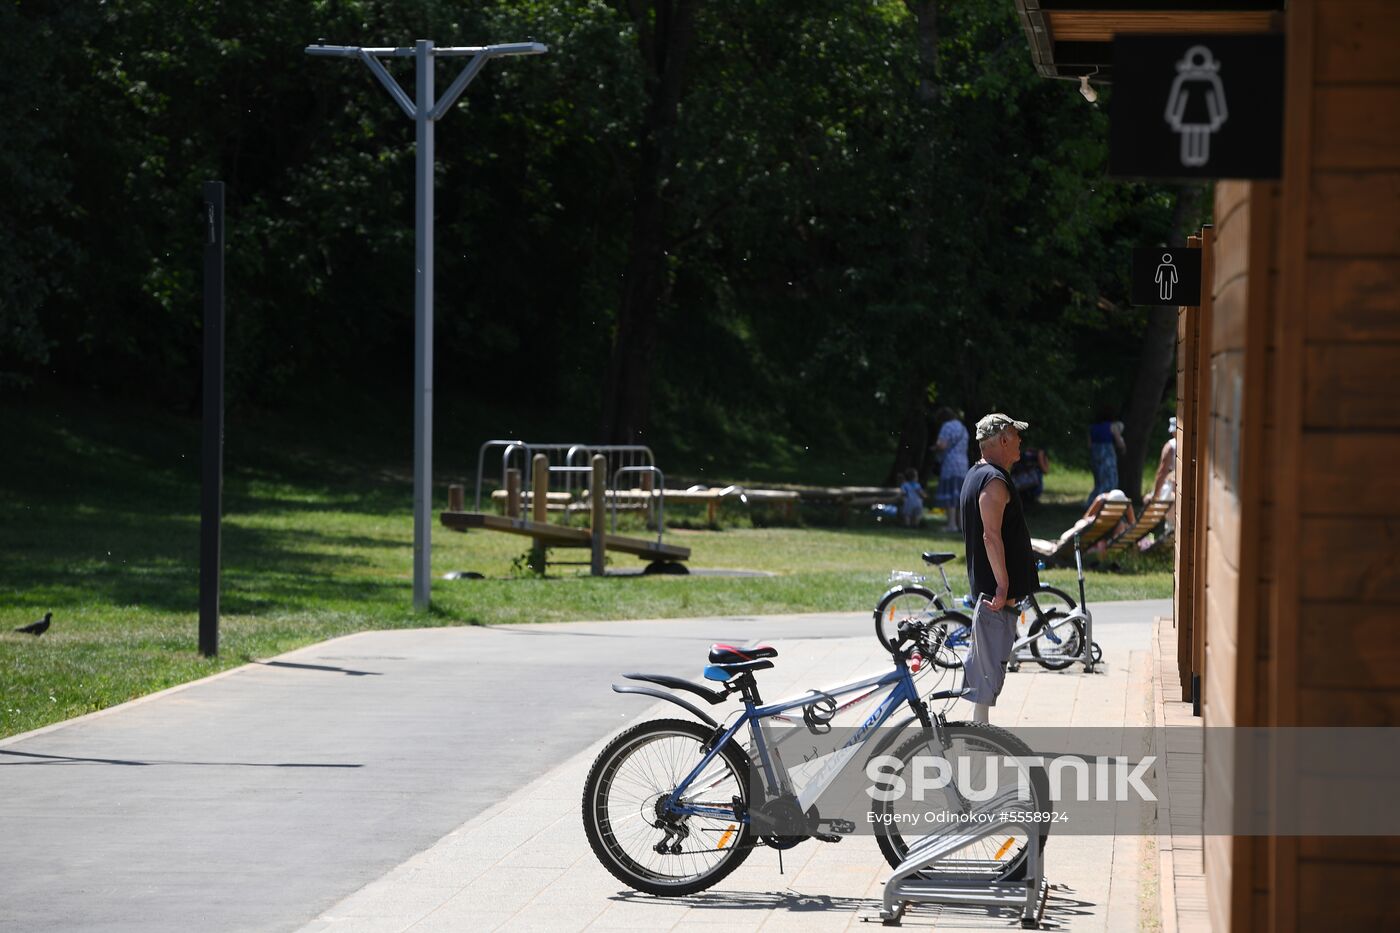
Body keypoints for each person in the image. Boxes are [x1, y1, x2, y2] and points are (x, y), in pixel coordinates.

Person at [960, 413, 1039, 724]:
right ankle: (978, 731)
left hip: (990, 586)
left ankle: (981, 726)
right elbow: (990, 536)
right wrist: (1003, 585)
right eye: (1016, 435)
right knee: (990, 661)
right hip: (995, 589)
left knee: (990, 658)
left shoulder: (978, 474)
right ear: (1003, 439)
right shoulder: (993, 480)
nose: (1020, 441)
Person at [932, 408, 970, 531]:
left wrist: (935, 448)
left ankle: (951, 524)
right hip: (963, 465)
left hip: (950, 464)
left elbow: (941, 445)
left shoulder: (947, 426)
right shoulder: (963, 428)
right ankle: (961, 525)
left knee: (950, 494)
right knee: (959, 495)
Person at [1087, 410, 1126, 505]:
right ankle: (1106, 503)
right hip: (1107, 456)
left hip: (1095, 456)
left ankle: (1092, 503)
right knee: (1110, 481)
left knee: (1099, 482)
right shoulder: (1112, 426)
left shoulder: (1092, 428)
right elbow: (1119, 442)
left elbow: (1089, 445)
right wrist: (1123, 447)